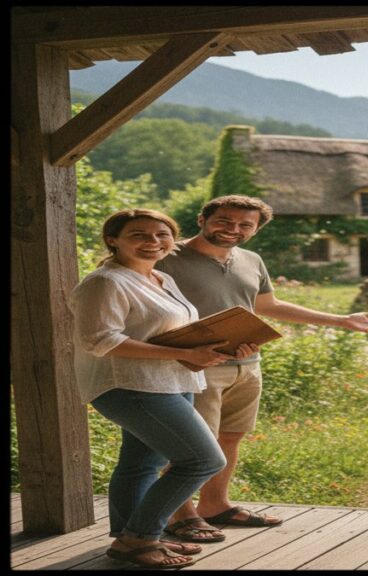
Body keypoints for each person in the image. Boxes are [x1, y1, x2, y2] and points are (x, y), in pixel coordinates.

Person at [157, 195, 368, 543]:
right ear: (202, 219)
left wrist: (341, 320)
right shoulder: (167, 256)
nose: (233, 229)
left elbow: (268, 305)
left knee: (230, 436)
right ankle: (181, 514)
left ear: (255, 229)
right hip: (193, 366)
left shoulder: (251, 260)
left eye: (245, 225)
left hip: (247, 363)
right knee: (191, 447)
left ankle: (215, 505)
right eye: (224, 220)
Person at [70, 209, 258, 569]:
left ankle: (134, 537)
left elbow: (172, 327)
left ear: (172, 240)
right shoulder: (105, 282)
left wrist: (226, 345)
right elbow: (99, 340)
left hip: (171, 380)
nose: (152, 242)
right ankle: (139, 538)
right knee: (203, 460)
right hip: (130, 386)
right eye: (139, 235)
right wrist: (185, 353)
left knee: (142, 462)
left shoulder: (158, 277)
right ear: (113, 240)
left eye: (161, 235)